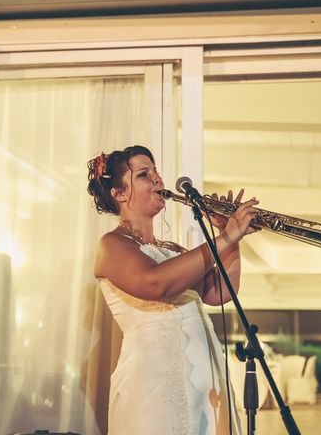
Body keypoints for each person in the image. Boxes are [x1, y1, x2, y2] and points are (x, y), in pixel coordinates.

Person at [87, 145, 259, 435]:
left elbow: (220, 292)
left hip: (206, 387)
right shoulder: (112, 245)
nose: (158, 179)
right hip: (155, 385)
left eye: (156, 172)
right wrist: (227, 238)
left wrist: (228, 237)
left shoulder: (173, 250)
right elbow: (157, 283)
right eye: (144, 174)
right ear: (119, 194)